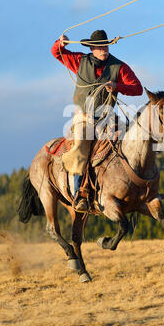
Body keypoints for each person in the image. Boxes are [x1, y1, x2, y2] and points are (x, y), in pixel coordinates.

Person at [51, 29, 143, 211]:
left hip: (107, 117)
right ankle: (80, 193)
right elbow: (56, 52)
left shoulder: (119, 67)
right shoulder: (79, 60)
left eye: (106, 46)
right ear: (91, 48)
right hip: (83, 117)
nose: (104, 50)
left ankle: (135, 187)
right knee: (82, 147)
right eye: (100, 47)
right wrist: (60, 43)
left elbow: (137, 89)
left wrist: (117, 86)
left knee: (131, 141)